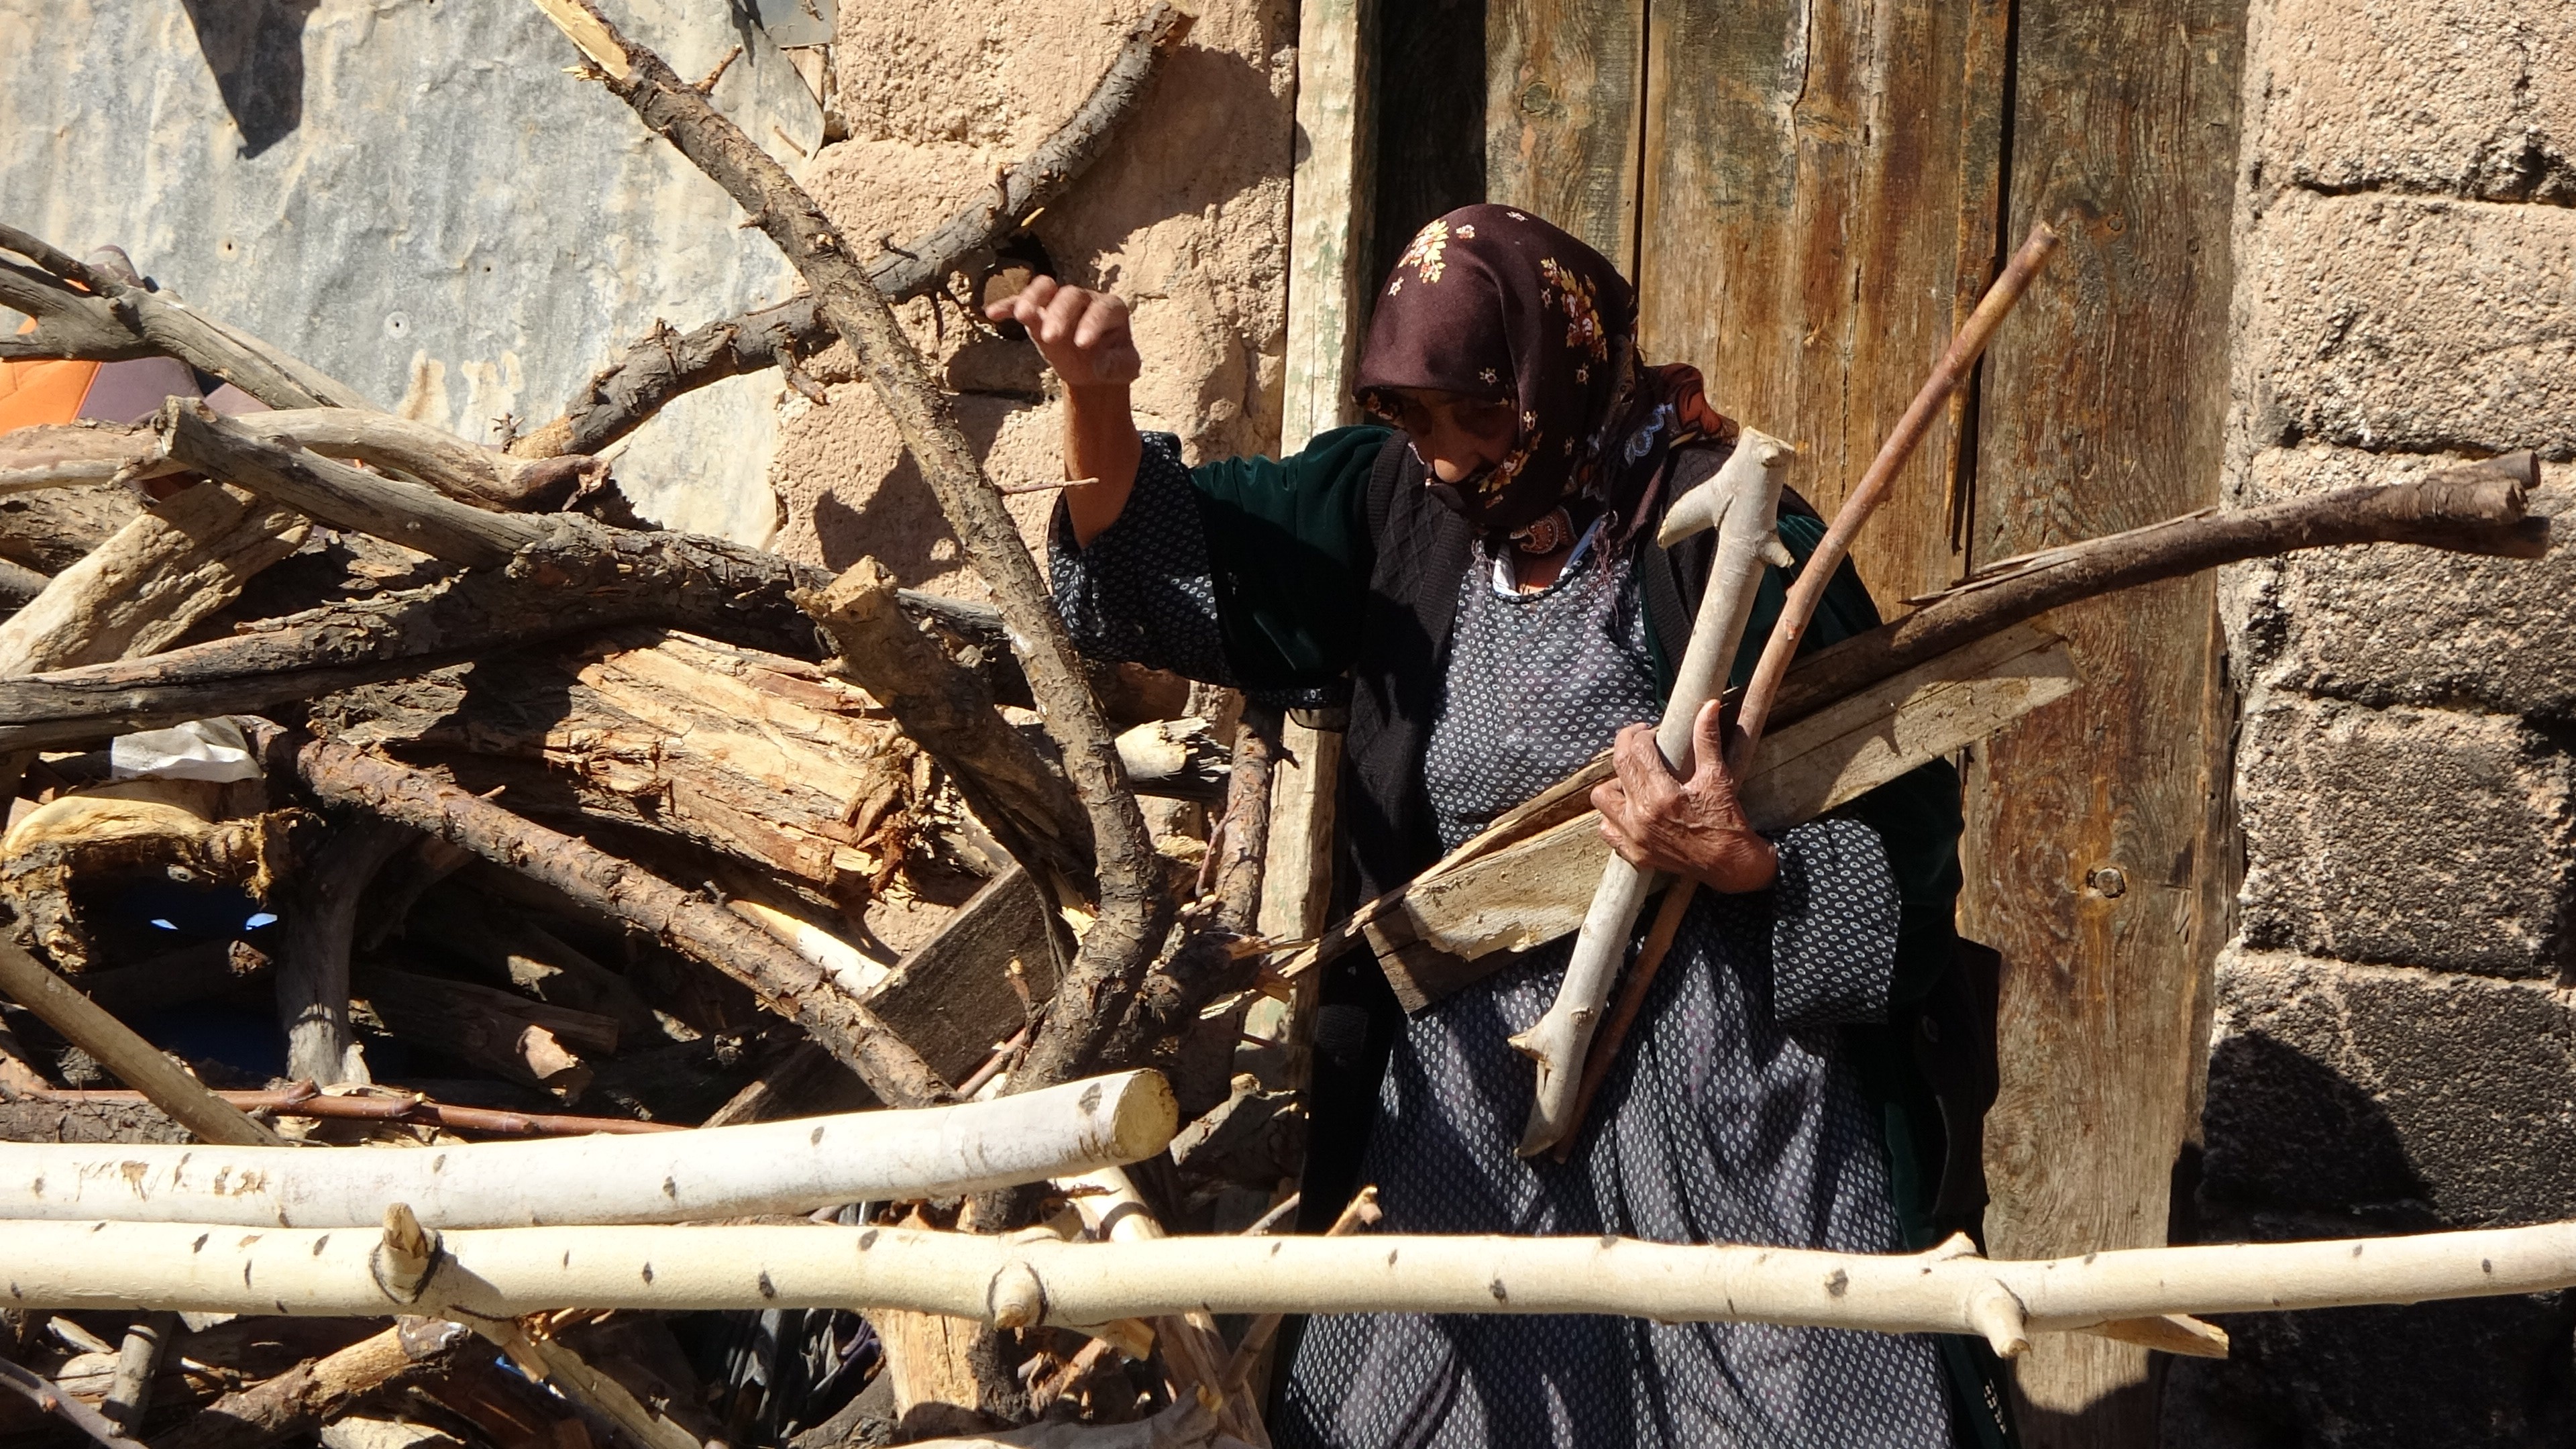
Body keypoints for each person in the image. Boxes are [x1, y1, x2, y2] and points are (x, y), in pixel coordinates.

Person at [991, 205, 2014, 1448]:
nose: (1446, 453)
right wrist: (1095, 404)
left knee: (1777, 1398)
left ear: (1554, 379)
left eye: (1478, 413)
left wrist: (1743, 862)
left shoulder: (1724, 531)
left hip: (1724, 1086)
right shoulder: (1394, 508)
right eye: (1412, 415)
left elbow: (1910, 825)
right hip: (1476, 1099)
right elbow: (1179, 558)